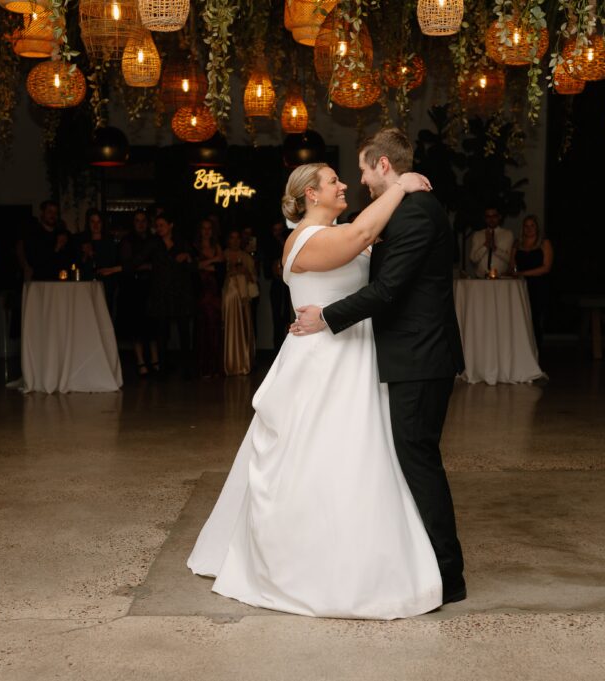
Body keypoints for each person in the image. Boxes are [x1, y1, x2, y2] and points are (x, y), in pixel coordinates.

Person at [188, 159, 446, 619]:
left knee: (360, 458)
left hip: (355, 357)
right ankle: (305, 563)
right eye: (333, 181)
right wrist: (401, 186)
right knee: (320, 457)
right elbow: (361, 238)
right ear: (310, 193)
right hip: (322, 363)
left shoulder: (339, 230)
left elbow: (368, 250)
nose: (343, 184)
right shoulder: (303, 239)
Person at [291, 128, 468, 607]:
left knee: (419, 462)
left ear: (383, 167)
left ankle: (447, 575)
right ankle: (423, 563)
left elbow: (386, 289)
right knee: (409, 460)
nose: (360, 180)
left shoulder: (414, 212)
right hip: (411, 355)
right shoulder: (405, 208)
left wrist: (327, 317)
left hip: (419, 356)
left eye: (366, 169)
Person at [105, 213, 196, 376]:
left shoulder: (181, 242)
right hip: (161, 293)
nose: (158, 228)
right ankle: (161, 369)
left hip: (180, 293)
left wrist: (188, 258)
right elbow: (137, 260)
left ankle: (188, 369)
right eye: (157, 225)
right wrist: (116, 269)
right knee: (161, 332)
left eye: (162, 225)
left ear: (170, 225)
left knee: (183, 331)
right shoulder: (154, 243)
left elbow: (193, 265)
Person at [116, 210, 160, 376]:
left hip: (151, 287)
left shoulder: (153, 240)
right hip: (134, 288)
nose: (141, 224)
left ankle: (155, 361)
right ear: (133, 223)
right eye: (137, 221)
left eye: (143, 220)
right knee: (136, 326)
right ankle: (141, 361)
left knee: (152, 325)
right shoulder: (127, 241)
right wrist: (146, 266)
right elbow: (127, 265)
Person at [510, 214, 553, 351]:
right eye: (526, 226)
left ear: (537, 228)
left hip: (538, 286)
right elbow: (512, 265)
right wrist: (515, 272)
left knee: (535, 319)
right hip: (520, 286)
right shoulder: (517, 243)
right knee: (519, 319)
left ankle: (536, 351)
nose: (529, 229)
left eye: (532, 226)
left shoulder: (544, 243)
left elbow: (546, 267)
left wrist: (523, 273)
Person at [222, 228, 257, 376]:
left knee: (244, 327)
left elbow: (254, 280)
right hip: (228, 298)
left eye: (237, 238)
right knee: (228, 328)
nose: (235, 241)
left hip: (243, 298)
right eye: (232, 237)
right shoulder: (222, 255)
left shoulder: (246, 257)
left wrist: (245, 272)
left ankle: (243, 362)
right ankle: (230, 362)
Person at [194, 218, 224, 378]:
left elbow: (220, 266)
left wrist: (207, 264)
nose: (206, 231)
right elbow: (196, 267)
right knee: (203, 329)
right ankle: (204, 368)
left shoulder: (216, 246)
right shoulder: (195, 247)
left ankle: (214, 368)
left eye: (209, 228)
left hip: (214, 291)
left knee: (214, 328)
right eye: (203, 228)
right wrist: (211, 262)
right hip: (201, 291)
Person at [16, 200, 73, 282]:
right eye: (50, 212)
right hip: (40, 282)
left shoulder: (62, 233)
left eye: (55, 212)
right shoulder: (34, 235)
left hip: (61, 282)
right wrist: (56, 248)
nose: (53, 215)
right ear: (42, 213)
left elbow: (69, 259)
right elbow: (35, 262)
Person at [264, 220, 293, 351]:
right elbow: (267, 272)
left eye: (280, 230)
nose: (278, 233)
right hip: (277, 286)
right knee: (277, 318)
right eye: (276, 230)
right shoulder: (269, 246)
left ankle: (290, 348)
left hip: (289, 286)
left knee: (290, 317)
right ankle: (278, 349)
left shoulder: (289, 242)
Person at [468, 206, 513, 278]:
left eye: (494, 216)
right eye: (488, 216)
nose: (491, 219)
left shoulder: (507, 234)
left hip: (501, 279)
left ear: (499, 217)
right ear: (484, 218)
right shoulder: (478, 235)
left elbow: (510, 259)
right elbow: (473, 259)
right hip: (481, 279)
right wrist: (485, 245)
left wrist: (495, 248)